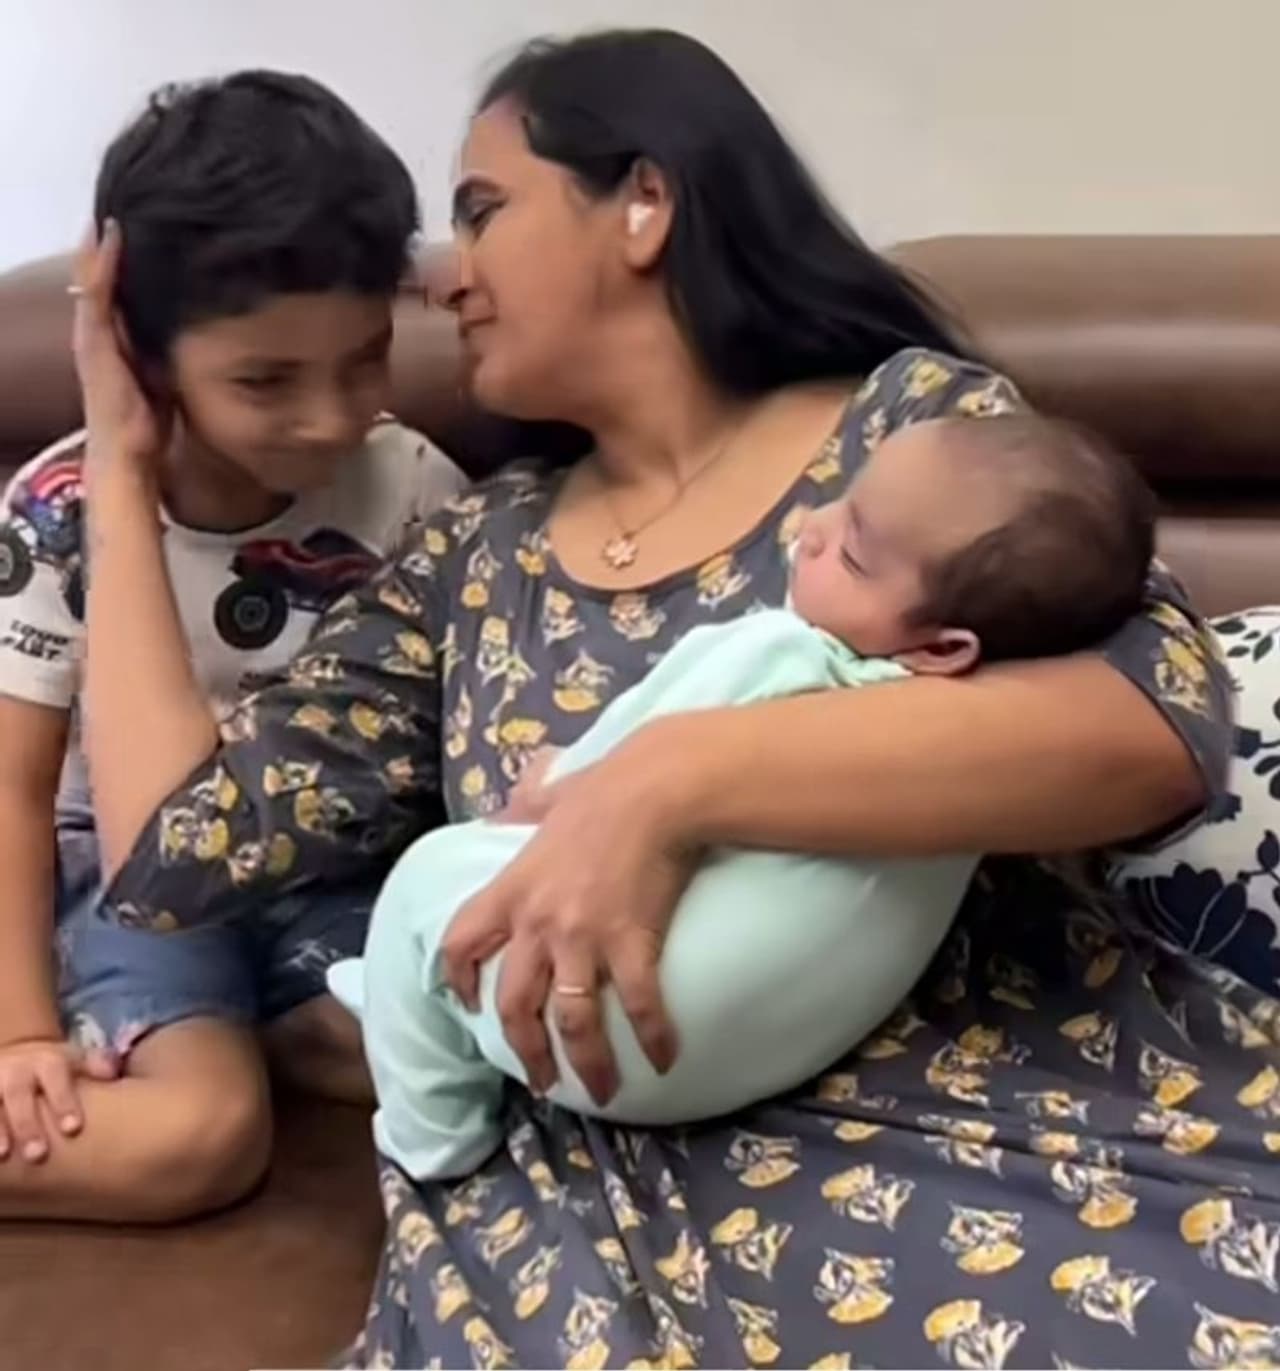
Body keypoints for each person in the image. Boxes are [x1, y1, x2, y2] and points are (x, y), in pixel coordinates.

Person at [72, 28, 1277, 1371]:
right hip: (625, 1175)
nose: (440, 271)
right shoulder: (470, 556)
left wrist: (665, 781)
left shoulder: (909, 434)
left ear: (642, 202)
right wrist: (118, 468)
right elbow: (173, 850)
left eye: (483, 208)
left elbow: (1152, 723)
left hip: (992, 1088)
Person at [337, 414, 1156, 1181]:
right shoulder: (967, 757)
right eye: (841, 498)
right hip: (778, 1043)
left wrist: (551, 778)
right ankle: (407, 997)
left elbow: (615, 766)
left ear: (943, 647)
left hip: (612, 1028)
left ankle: (432, 1134)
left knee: (426, 879)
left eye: (853, 554)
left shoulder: (782, 654)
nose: (812, 527)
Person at [0, 70, 464, 1222]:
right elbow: (10, 789)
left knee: (448, 1064)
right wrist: (19, 1030)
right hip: (136, 890)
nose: (332, 416)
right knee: (200, 1135)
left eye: (365, 358)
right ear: (141, 353)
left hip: (323, 879)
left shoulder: (413, 486)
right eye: (265, 380)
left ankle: (251, 1025)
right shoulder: (56, 511)